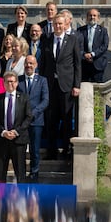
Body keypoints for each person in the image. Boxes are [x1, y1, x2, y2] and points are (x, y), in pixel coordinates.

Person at [39, 13, 81, 160]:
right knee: (51, 120)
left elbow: (77, 64)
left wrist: (76, 85)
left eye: (60, 24)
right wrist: (42, 85)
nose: (58, 26)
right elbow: (43, 64)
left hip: (66, 86)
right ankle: (52, 152)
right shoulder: (46, 40)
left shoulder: (73, 40)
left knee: (67, 120)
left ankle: (67, 151)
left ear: (65, 25)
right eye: (55, 24)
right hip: (50, 86)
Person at [0, 71, 32, 183]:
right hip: (1, 140)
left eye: (12, 81)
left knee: (20, 173)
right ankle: (1, 197)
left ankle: (21, 198)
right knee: (0, 174)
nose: (10, 84)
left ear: (17, 83)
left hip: (18, 140)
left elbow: (28, 117)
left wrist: (16, 131)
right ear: (3, 83)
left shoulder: (24, 98)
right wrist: (3, 132)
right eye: (7, 82)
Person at [17, 55, 49, 182]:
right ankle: (22, 174)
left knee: (35, 150)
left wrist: (33, 113)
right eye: (26, 63)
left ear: (35, 65)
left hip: (36, 121)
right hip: (21, 122)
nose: (28, 65)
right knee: (21, 150)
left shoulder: (42, 80)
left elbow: (45, 100)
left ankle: (34, 173)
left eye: (31, 63)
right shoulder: (18, 81)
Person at [77, 8, 109, 82]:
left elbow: (104, 46)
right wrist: (84, 54)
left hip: (98, 64)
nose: (92, 17)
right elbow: (77, 45)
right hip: (84, 64)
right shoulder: (80, 30)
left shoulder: (103, 31)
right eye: (90, 15)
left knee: (97, 89)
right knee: (84, 87)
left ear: (98, 18)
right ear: (87, 17)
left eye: (94, 15)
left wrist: (92, 54)